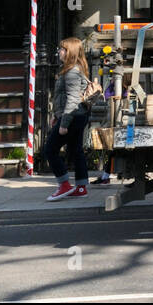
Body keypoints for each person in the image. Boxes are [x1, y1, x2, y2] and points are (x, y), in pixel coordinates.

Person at [45, 36, 91, 201]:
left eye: (62, 49)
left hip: (72, 117)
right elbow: (63, 98)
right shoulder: (74, 69)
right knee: (76, 150)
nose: (59, 52)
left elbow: (72, 99)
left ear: (70, 52)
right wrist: (56, 116)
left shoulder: (72, 71)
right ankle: (81, 187)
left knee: (50, 150)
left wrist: (63, 123)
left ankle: (64, 185)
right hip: (76, 116)